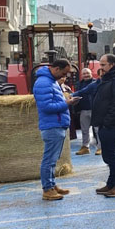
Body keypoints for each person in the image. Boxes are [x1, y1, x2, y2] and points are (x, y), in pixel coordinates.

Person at [86, 54, 115, 198]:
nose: (100, 68)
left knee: (111, 155)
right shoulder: (109, 79)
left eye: (103, 65)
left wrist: (107, 122)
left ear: (111, 65)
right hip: (107, 124)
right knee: (110, 154)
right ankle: (112, 183)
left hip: (113, 124)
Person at [34, 59, 80, 200]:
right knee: (49, 160)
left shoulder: (51, 82)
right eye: (64, 73)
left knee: (52, 159)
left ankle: (51, 185)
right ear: (56, 69)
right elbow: (46, 107)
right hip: (52, 126)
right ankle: (47, 189)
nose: (64, 76)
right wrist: (67, 103)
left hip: (56, 124)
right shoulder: (44, 83)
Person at [73, 68, 99, 155]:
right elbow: (78, 93)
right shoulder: (79, 84)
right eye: (84, 74)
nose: (86, 75)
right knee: (84, 130)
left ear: (91, 73)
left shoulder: (96, 83)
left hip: (95, 110)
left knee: (97, 129)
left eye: (87, 73)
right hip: (83, 110)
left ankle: (100, 147)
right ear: (81, 75)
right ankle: (85, 147)